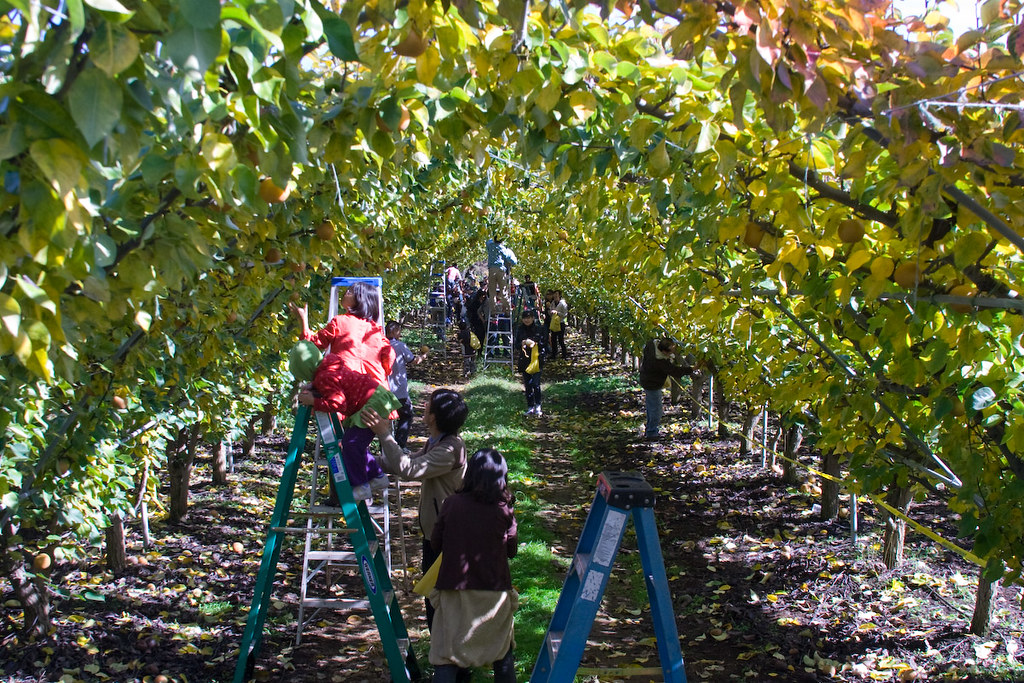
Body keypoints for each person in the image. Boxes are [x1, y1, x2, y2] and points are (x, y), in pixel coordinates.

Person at [361, 389, 469, 631]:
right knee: (434, 599)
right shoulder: (437, 442)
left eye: (428, 404)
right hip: (436, 534)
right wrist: (367, 460)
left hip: (449, 538)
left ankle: (451, 663)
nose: (423, 406)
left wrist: (384, 434)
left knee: (442, 602)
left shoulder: (450, 449)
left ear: (435, 416)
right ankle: (445, 659)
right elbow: (403, 465)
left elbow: (410, 469)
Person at [291, 282, 395, 500]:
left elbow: (312, 347)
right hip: (372, 394)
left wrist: (303, 321)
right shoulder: (375, 330)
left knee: (340, 443)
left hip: (343, 393)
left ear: (358, 299)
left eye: (349, 292)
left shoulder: (340, 322)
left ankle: (341, 493)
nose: (344, 294)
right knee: (355, 443)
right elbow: (389, 359)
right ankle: (367, 482)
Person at [428, 448, 518, 683]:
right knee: (502, 649)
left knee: (447, 652)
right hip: (494, 588)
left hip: (453, 587)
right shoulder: (504, 509)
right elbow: (512, 550)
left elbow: (435, 543)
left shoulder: (451, 503)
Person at [638, 337, 693, 442]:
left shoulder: (651, 344)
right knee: (656, 409)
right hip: (652, 383)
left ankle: (650, 430)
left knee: (651, 406)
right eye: (671, 351)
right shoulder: (659, 361)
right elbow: (675, 371)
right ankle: (651, 433)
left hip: (646, 378)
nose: (673, 353)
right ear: (663, 351)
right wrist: (692, 369)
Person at [385, 321, 424, 452]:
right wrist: (423, 356)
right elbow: (414, 361)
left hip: (383, 389)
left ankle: (385, 447)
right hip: (399, 389)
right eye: (399, 331)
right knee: (406, 415)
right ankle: (400, 445)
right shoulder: (400, 346)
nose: (400, 333)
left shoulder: (380, 345)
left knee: (384, 419)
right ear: (394, 331)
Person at [514, 309, 547, 416]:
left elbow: (544, 343)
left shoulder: (539, 329)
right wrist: (523, 342)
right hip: (525, 359)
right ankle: (530, 406)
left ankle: (538, 405)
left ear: (533, 318)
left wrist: (535, 343)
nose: (527, 320)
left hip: (537, 359)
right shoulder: (520, 329)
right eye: (525, 318)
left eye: (529, 318)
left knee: (535, 383)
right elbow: (516, 345)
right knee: (528, 385)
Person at [485, 235, 517, 315]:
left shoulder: (490, 245)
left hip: (492, 270)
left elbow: (488, 240)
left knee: (492, 293)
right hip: (500, 270)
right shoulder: (503, 249)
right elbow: (513, 261)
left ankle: (493, 311)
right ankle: (508, 309)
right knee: (503, 292)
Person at [548, 290, 569, 360]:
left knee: (560, 339)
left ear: (559, 295)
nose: (555, 296)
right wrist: (551, 312)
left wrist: (557, 313)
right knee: (553, 339)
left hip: (561, 323)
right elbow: (550, 311)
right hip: (554, 323)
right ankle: (554, 354)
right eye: (554, 294)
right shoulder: (553, 303)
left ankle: (564, 354)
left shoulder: (563, 303)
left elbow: (565, 315)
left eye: (557, 294)